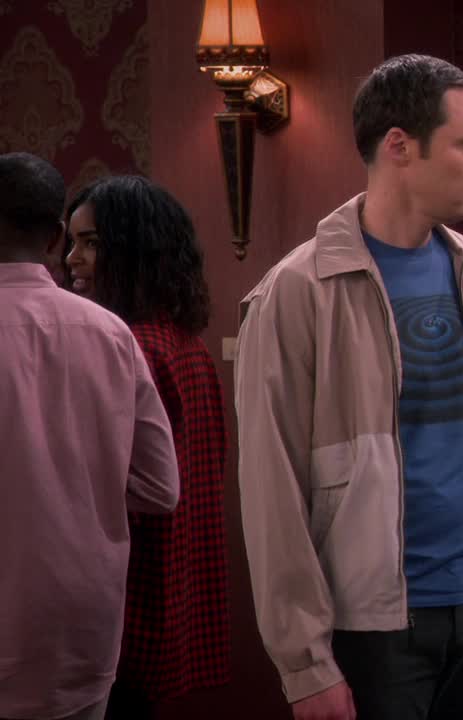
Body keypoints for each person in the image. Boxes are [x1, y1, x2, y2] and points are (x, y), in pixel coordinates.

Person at [234, 54, 463, 720]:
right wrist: (305, 664)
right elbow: (271, 490)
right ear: (400, 147)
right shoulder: (299, 292)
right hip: (370, 626)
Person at [0, 155, 180, 720]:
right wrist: (78, 484)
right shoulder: (112, 335)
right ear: (56, 237)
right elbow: (161, 489)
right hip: (83, 622)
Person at [63, 175, 231, 719]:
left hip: (130, 592)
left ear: (135, 252)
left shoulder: (126, 346)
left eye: (91, 243)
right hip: (172, 593)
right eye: (72, 242)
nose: (72, 259)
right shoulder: (184, 343)